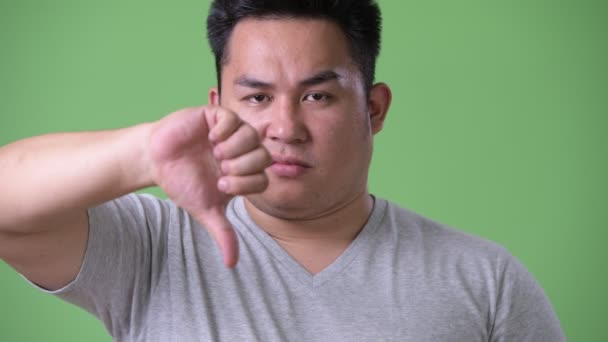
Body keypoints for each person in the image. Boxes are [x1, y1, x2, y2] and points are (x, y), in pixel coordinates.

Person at [0, 0, 565, 341]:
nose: (285, 127)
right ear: (218, 106)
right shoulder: (154, 247)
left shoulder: (486, 282)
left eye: (318, 96)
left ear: (374, 108)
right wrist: (141, 153)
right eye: (257, 98)